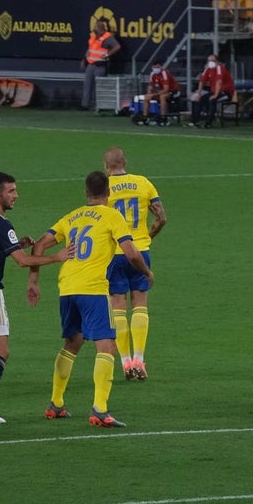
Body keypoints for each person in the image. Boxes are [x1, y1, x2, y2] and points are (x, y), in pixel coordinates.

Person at [28, 171, 152, 427]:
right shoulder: (111, 215)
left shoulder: (72, 216)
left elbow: (39, 245)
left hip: (67, 288)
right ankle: (100, 410)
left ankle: (56, 403)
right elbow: (130, 253)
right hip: (93, 290)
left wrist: (34, 281)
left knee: (72, 343)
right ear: (108, 193)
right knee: (106, 347)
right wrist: (147, 272)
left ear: (86, 193)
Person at [0, 172, 73, 424]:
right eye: (11, 191)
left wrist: (14, 244)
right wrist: (56, 257)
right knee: (1, 352)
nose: (16, 195)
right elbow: (22, 262)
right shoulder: (2, 224)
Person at [102, 148, 166, 380]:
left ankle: (126, 363)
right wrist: (148, 236)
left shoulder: (105, 188)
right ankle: (140, 359)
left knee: (118, 306)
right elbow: (162, 217)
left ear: (106, 166)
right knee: (140, 305)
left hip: (115, 254)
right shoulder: (143, 183)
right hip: (141, 250)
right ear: (125, 162)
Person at [80, 19, 120, 110]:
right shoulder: (94, 37)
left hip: (100, 65)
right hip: (90, 64)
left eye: (96, 27)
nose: (95, 29)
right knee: (87, 85)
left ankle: (100, 106)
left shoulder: (107, 37)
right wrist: (84, 59)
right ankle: (85, 105)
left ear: (100, 28)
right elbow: (90, 48)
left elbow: (117, 46)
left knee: (100, 87)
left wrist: (107, 54)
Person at [190, 54, 235, 129]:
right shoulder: (208, 69)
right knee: (197, 99)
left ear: (217, 61)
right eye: (209, 61)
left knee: (212, 100)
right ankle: (195, 121)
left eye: (212, 61)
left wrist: (216, 95)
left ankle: (208, 123)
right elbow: (202, 81)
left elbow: (219, 82)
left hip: (225, 92)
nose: (210, 62)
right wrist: (199, 93)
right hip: (214, 91)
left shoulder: (220, 68)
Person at [141, 60, 181, 126]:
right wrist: (149, 94)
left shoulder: (164, 73)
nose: (156, 69)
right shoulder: (152, 74)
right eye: (154, 67)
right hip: (161, 92)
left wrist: (154, 94)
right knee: (146, 97)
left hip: (174, 92)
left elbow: (166, 89)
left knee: (162, 97)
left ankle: (163, 117)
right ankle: (145, 117)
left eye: (157, 67)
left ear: (161, 67)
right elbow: (150, 86)